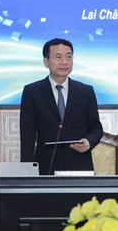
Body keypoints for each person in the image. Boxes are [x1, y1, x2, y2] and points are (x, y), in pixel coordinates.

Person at [20, 38, 103, 175]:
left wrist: (87, 143)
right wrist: (26, 173)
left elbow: (96, 128)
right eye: (58, 57)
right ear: (46, 62)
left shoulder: (86, 91)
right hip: (45, 168)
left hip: (79, 167)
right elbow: (27, 136)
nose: (64, 62)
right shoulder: (32, 92)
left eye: (69, 57)